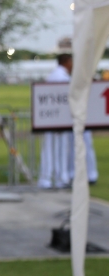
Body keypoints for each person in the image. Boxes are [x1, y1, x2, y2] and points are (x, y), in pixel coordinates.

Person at [38, 53, 99, 188]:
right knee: (58, 149)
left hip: (61, 119)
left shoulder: (59, 75)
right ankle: (55, 179)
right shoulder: (60, 77)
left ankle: (62, 177)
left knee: (64, 149)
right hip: (59, 120)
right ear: (66, 61)